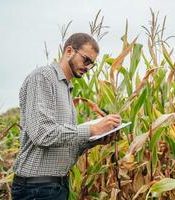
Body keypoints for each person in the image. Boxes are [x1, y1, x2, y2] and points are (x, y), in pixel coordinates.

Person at [11, 33, 121, 200]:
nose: (88, 67)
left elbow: (63, 145)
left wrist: (96, 138)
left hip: (57, 186)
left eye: (92, 64)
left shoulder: (66, 88)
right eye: (86, 60)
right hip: (37, 189)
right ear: (69, 50)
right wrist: (92, 129)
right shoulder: (43, 77)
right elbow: (42, 134)